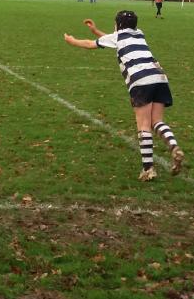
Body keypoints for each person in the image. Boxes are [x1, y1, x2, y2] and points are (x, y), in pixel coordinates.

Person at [63, 11, 184, 181]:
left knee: (143, 125)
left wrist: (72, 41)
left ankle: (148, 169)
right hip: (159, 77)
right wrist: (96, 31)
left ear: (118, 25)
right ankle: (174, 146)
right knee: (157, 121)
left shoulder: (118, 36)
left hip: (141, 80)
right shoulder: (139, 33)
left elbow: (92, 44)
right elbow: (116, 41)